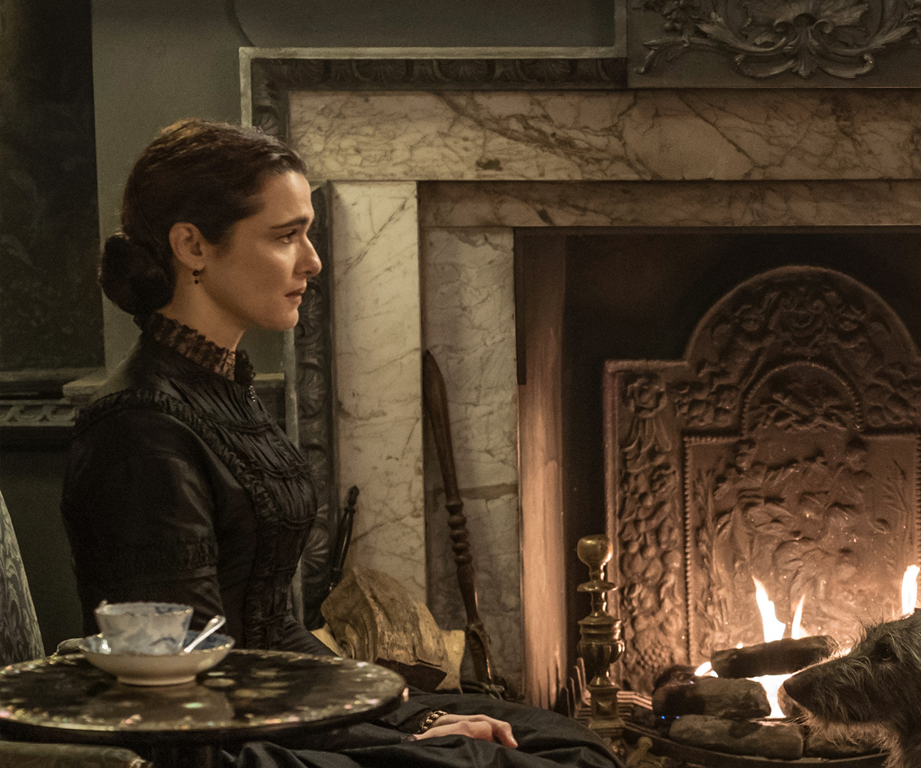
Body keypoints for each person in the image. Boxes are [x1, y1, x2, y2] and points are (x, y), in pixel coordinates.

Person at [63, 119, 619, 768]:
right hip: (226, 747)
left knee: (570, 740)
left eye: (308, 233)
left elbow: (274, 629)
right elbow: (188, 699)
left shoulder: (223, 388)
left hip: (282, 708)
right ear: (192, 245)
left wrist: (412, 713)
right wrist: (397, 736)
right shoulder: (139, 431)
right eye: (286, 236)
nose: (313, 261)